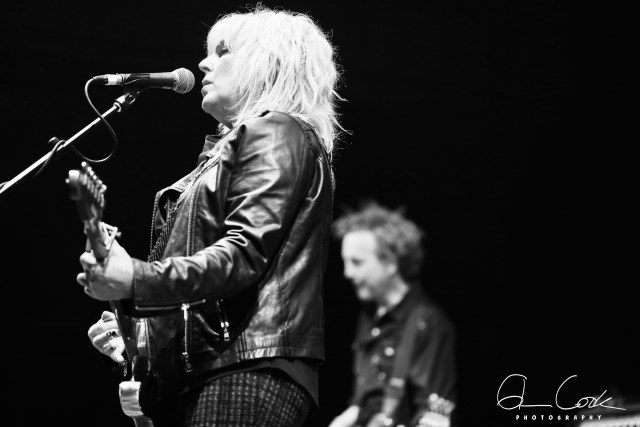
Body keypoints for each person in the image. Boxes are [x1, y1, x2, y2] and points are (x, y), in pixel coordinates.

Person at [76, 6, 343, 427]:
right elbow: (208, 296)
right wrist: (138, 337)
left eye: (223, 51)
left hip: (246, 372)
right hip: (214, 372)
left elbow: (243, 256)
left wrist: (135, 278)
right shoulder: (224, 154)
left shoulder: (276, 129)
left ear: (268, 61)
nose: (203, 62)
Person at [328, 202, 457, 427]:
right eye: (345, 262)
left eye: (357, 262)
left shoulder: (427, 322)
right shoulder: (369, 317)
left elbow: (434, 416)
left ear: (390, 263)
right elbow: (365, 402)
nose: (347, 273)